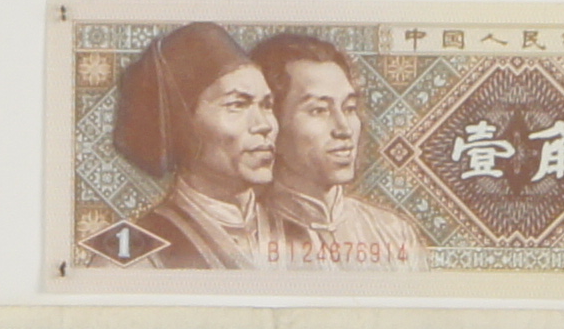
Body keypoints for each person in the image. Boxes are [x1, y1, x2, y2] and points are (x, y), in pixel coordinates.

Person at [92, 22, 275, 268]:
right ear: (183, 123)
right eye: (237, 105)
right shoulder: (130, 255)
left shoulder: (307, 231)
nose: (264, 125)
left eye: (267, 105)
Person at [250, 33, 428, 268]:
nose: (344, 129)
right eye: (319, 110)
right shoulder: (245, 238)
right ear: (273, 123)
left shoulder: (393, 234)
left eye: (349, 108)